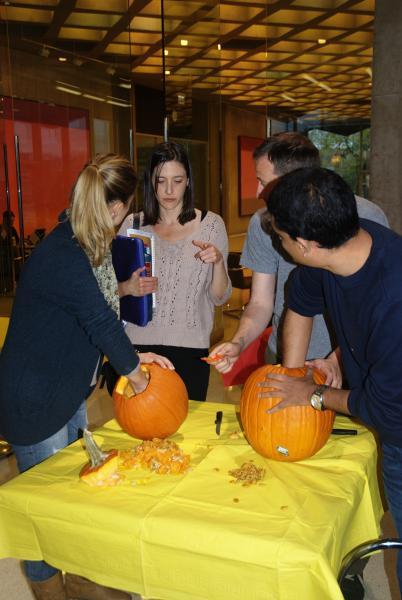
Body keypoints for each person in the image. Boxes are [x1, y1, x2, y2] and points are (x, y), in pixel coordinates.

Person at [0, 154, 173, 600]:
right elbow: (98, 318)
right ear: (115, 209)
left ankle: (79, 580)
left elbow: (92, 308)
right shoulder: (66, 252)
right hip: (35, 400)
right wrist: (139, 378)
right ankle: (52, 590)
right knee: (47, 511)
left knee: (70, 500)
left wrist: (138, 354)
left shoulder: (80, 242)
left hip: (62, 385)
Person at [260, 166, 402, 596]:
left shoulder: (394, 296)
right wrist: (292, 373)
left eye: (281, 239)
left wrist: (314, 395)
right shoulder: (341, 247)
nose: (281, 245)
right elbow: (301, 303)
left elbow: (385, 409)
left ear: (305, 244)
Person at [212, 132, 389, 385]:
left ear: (294, 182)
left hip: (349, 361)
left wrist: (336, 361)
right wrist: (238, 341)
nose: (257, 191)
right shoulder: (262, 222)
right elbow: (261, 303)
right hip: (284, 355)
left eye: (264, 182)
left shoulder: (367, 217)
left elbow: (373, 309)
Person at [117, 141, 232, 401]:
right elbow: (109, 291)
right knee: (138, 430)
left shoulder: (210, 225)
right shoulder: (133, 225)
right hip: (138, 347)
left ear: (188, 181)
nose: (169, 190)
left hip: (190, 348)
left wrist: (217, 264)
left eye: (177, 180)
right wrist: (128, 288)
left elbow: (219, 297)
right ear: (151, 182)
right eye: (161, 181)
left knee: (185, 431)